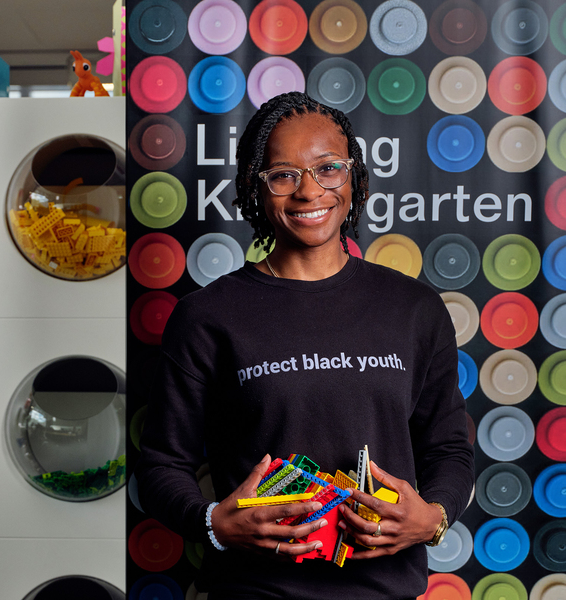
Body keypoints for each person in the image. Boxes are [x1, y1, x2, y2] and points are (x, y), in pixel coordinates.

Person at [135, 92, 474, 599]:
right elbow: (162, 463)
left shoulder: (414, 308)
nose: (309, 191)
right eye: (284, 174)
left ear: (355, 178)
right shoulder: (208, 316)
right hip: (255, 591)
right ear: (256, 186)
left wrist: (434, 518)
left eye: (328, 168)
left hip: (388, 592)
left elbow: (449, 448)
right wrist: (211, 523)